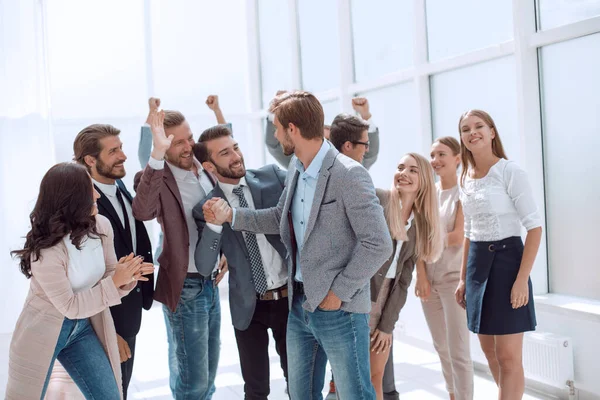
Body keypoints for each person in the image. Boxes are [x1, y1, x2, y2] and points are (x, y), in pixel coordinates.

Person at [203, 91, 392, 400]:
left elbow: (378, 244)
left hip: (339, 310)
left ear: (292, 129)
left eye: (277, 128)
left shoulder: (349, 174)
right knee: (301, 395)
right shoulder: (296, 168)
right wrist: (232, 215)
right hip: (299, 305)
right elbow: (279, 217)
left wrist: (338, 293)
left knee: (355, 394)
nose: (275, 135)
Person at [5, 162, 153, 399]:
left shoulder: (101, 226)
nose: (96, 194)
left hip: (83, 328)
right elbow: (70, 306)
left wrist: (128, 275)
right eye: (89, 190)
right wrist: (116, 281)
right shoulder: (46, 252)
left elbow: (109, 274)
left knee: (110, 395)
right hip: (41, 331)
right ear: (71, 199)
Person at [136, 95, 230, 396]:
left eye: (189, 138)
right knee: (193, 381)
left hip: (211, 284)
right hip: (186, 287)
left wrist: (224, 251)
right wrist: (157, 151)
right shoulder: (158, 177)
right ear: (165, 145)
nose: (188, 146)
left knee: (209, 375)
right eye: (179, 143)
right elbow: (142, 211)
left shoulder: (201, 166)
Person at [192, 125, 289, 399]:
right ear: (210, 166)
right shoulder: (205, 208)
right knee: (256, 390)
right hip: (249, 307)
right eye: (225, 153)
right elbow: (203, 265)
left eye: (235, 147)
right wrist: (213, 226)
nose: (236, 156)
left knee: (300, 382)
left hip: (290, 300)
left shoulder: (272, 178)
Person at [455, 110, 542, 400]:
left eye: (479, 126)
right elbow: (469, 231)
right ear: (462, 138)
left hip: (508, 264)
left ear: (492, 132)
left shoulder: (510, 171)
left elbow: (534, 228)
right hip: (477, 267)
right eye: (466, 129)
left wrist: (521, 280)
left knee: (507, 355)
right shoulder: (464, 176)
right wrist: (462, 279)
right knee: (488, 351)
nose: (472, 132)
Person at [73, 124, 155, 399]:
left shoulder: (118, 185)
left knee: (121, 390)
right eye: (114, 151)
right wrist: (108, 331)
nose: (123, 156)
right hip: (106, 320)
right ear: (90, 160)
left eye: (121, 147)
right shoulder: (81, 204)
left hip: (128, 310)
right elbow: (83, 276)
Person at [327, 112, 399, 400]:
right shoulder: (350, 177)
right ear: (348, 146)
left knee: (368, 372)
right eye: (363, 144)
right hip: (347, 290)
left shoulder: (356, 176)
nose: (367, 149)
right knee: (350, 374)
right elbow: (376, 245)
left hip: (371, 292)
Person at [369, 153, 444, 400]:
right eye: (400, 167)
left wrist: (387, 326)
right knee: (353, 376)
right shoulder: (378, 200)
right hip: (359, 298)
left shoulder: (420, 224)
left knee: (375, 376)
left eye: (413, 170)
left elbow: (402, 281)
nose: (404, 173)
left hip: (385, 300)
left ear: (424, 180)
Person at [414, 137, 474, 400]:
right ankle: (452, 395)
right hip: (429, 282)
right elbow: (416, 237)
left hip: (454, 282)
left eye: (442, 154)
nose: (435, 161)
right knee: (441, 347)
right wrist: (421, 276)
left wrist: (426, 239)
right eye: (432, 155)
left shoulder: (465, 192)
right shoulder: (427, 194)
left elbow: (458, 236)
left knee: (459, 351)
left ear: (458, 158)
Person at [265, 92, 379, 170]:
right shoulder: (302, 162)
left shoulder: (347, 165)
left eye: (330, 140)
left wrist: (365, 115)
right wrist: (276, 111)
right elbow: (274, 144)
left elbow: (369, 154)